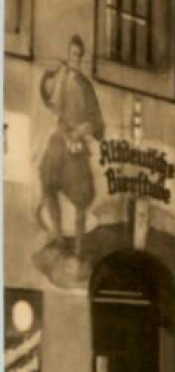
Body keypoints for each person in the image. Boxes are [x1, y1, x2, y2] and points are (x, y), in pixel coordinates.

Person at [37, 35, 103, 256]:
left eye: (78, 55)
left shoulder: (86, 86)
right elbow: (49, 102)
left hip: (76, 145)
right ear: (68, 53)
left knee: (82, 198)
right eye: (72, 53)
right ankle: (57, 237)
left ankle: (78, 249)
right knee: (46, 183)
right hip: (59, 142)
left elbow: (97, 123)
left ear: (81, 57)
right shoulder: (59, 78)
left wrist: (81, 130)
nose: (75, 58)